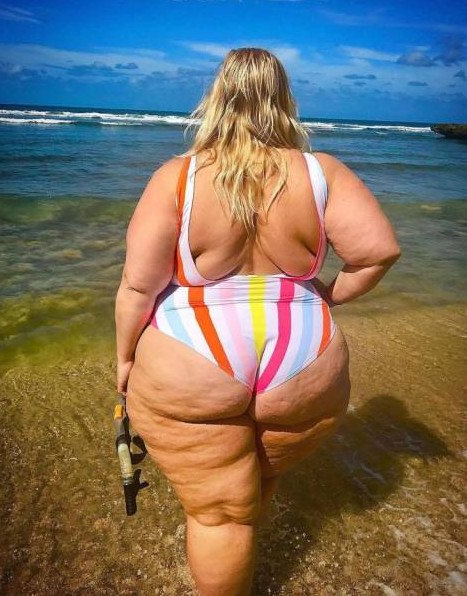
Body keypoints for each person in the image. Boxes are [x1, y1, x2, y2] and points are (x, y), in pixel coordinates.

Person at [114, 47, 401, 595]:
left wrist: (125, 359)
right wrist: (328, 296)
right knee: (259, 481)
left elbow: (137, 286)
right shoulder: (321, 172)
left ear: (217, 96)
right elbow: (378, 253)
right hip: (302, 350)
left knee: (219, 513)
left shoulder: (179, 176)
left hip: (194, 347)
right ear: (284, 99)